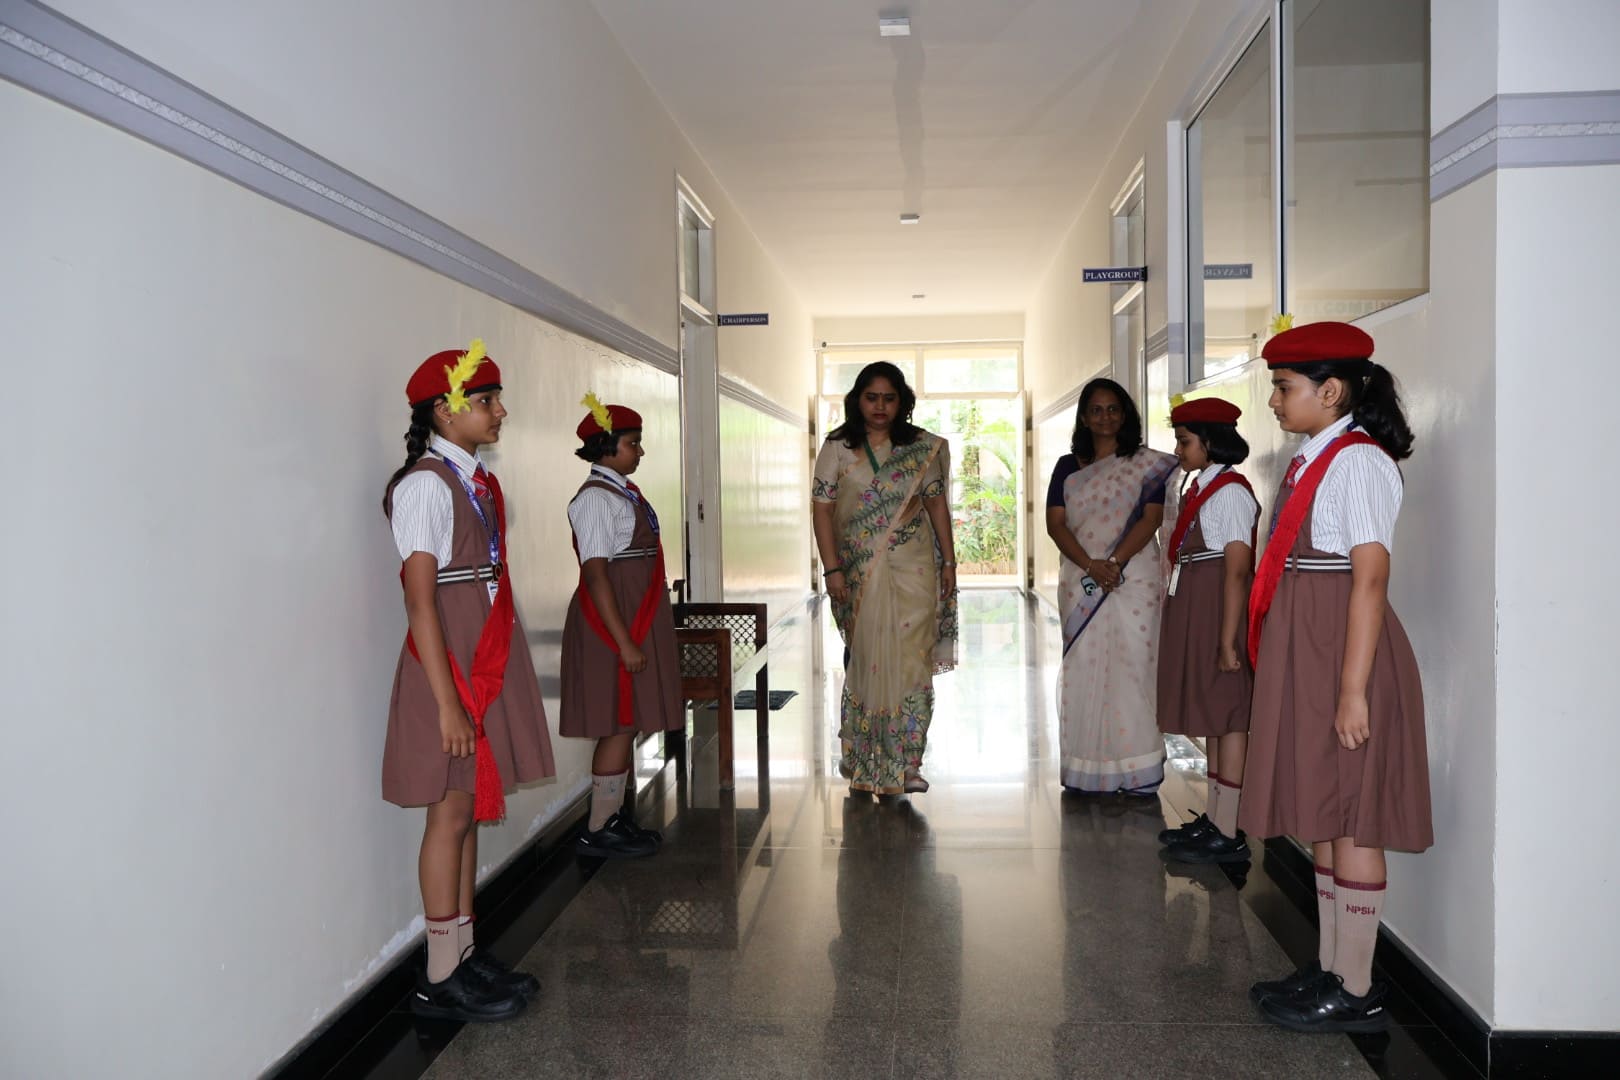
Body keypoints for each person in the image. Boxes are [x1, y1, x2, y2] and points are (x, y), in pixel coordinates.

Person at [1242, 321, 1431, 1034]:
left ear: (1330, 391)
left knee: (1351, 817)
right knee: (1325, 813)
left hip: (1346, 656)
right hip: (1313, 648)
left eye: (1283, 387)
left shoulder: (1359, 463)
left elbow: (1370, 578)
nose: (1274, 401)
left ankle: (1356, 990)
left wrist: (1353, 691)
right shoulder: (1314, 459)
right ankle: (1330, 966)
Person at [382, 339, 556, 1022]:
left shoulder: (474, 482)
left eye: (496, 399)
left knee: (470, 809)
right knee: (449, 814)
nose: (500, 411)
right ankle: (439, 976)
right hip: (450, 665)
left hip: (482, 650)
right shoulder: (426, 484)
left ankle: (462, 950)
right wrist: (447, 703)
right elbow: (420, 601)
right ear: (445, 411)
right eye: (487, 401)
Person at [812, 362, 958, 796]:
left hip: (916, 568)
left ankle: (907, 763)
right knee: (867, 660)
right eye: (872, 397)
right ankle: (862, 757)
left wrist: (949, 563)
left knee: (913, 661)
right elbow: (822, 509)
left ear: (902, 403)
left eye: (889, 398)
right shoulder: (838, 447)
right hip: (858, 572)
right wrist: (832, 569)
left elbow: (936, 505)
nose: (880, 406)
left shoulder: (920, 448)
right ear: (858, 400)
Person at [560, 394, 681, 858]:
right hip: (613, 621)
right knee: (618, 721)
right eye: (633, 443)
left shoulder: (623, 492)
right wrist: (624, 642)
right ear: (606, 446)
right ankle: (599, 827)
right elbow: (595, 574)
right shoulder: (595, 499)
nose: (640, 451)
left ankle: (610, 818)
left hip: (635, 614)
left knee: (626, 723)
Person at [1046, 378, 1177, 795]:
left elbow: (1151, 518)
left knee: (1135, 668)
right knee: (1084, 667)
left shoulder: (1146, 464)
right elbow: (1056, 524)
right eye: (1096, 410)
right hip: (1082, 580)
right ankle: (1086, 767)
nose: (1105, 417)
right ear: (1084, 418)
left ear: (1126, 414)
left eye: (1113, 409)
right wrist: (1092, 566)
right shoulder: (1068, 467)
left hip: (1133, 579)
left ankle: (1137, 769)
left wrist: (1115, 564)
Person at [1156, 398, 1259, 864]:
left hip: (1220, 612)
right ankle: (1216, 818)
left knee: (1229, 717)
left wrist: (1226, 638)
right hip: (1200, 608)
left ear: (1211, 442)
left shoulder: (1231, 492)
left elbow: (1237, 570)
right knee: (1215, 716)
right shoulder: (1203, 486)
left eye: (1185, 441)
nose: (1179, 450)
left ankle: (1229, 829)